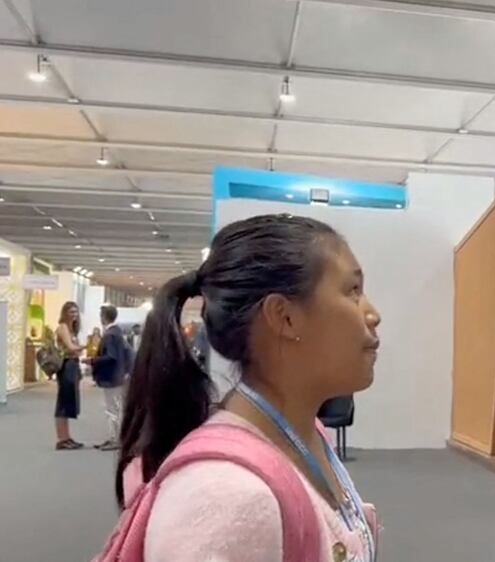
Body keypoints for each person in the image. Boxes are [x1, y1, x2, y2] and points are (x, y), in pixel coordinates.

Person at [111, 215, 381, 561]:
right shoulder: (226, 495)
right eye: (353, 291)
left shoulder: (307, 435)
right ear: (284, 316)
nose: (372, 314)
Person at [85, 305, 131, 451]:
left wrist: (92, 360)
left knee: (112, 409)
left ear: (104, 317)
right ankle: (115, 438)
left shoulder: (110, 334)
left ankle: (115, 438)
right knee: (117, 408)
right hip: (119, 376)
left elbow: (111, 356)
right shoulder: (118, 333)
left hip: (112, 377)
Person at [54, 301, 85, 450]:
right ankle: (62, 439)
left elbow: (75, 350)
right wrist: (87, 346)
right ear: (64, 312)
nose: (74, 315)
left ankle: (67, 437)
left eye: (76, 312)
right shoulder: (63, 328)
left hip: (72, 365)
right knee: (63, 403)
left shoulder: (72, 329)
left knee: (68, 403)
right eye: (71, 312)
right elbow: (71, 347)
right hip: (66, 366)